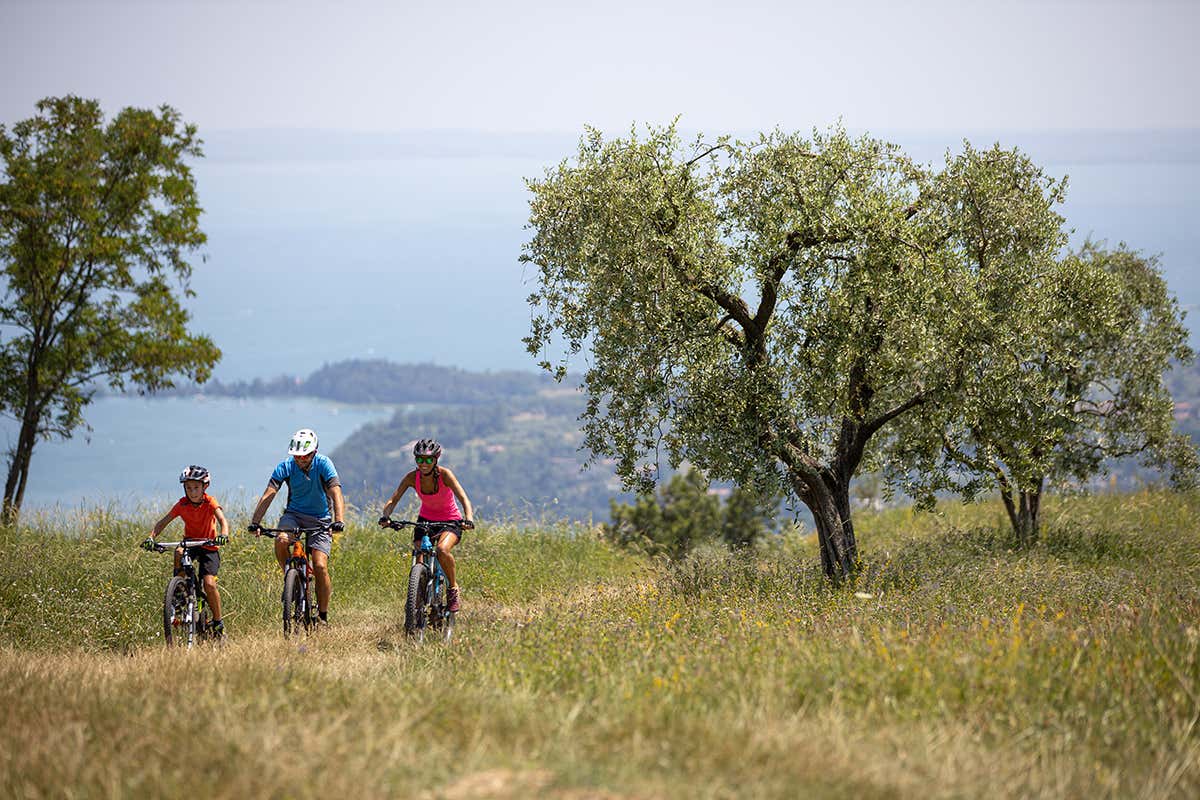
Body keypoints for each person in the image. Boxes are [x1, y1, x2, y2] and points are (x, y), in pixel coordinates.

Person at [247, 428, 346, 624]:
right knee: (281, 539)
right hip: (294, 515)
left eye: (305, 455)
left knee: (319, 566)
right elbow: (269, 495)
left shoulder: (324, 464)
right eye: (297, 455)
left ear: (314, 452)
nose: (300, 459)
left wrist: (339, 520)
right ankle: (290, 577)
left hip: (321, 519)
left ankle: (323, 616)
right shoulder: (285, 466)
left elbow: (336, 493)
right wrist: (255, 522)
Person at [378, 438, 475, 612]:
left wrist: (468, 518)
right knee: (419, 555)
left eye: (428, 459)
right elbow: (393, 499)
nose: (424, 463)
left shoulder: (445, 475)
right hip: (425, 520)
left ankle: (452, 589)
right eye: (420, 459)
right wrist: (386, 516)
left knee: (442, 551)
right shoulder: (411, 477)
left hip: (450, 521)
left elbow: (463, 498)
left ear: (436, 459)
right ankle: (417, 596)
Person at [142, 465, 230, 637]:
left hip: (209, 545)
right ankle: (180, 589)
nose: (192, 492)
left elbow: (222, 520)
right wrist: (151, 538)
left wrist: (223, 535)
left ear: (205, 487)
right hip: (190, 543)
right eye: (188, 488)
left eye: (196, 487)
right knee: (179, 551)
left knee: (209, 584)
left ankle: (218, 622)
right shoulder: (182, 504)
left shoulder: (210, 502)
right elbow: (163, 522)